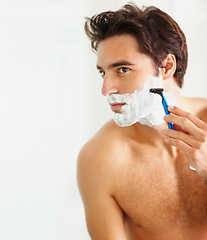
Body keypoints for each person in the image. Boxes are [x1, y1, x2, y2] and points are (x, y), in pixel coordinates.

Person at [77, 3, 207, 240]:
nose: (106, 89)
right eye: (103, 72)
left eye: (123, 69)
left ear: (166, 67)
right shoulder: (100, 158)